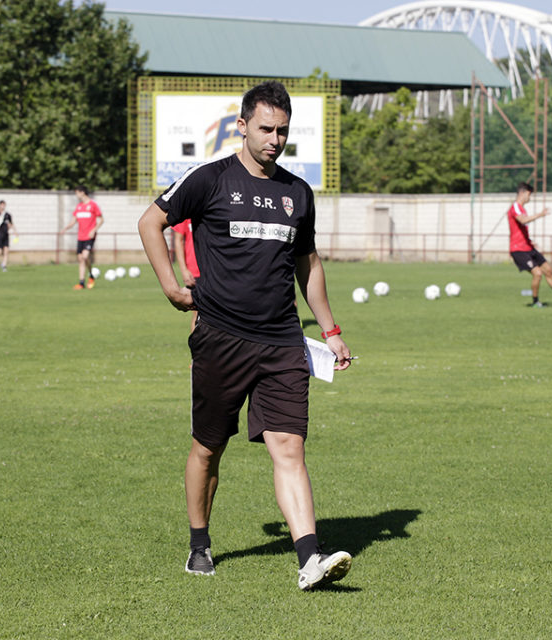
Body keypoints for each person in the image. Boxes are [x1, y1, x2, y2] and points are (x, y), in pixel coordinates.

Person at [138, 81, 354, 591]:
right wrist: (171, 287)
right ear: (241, 125)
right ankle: (199, 543)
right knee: (209, 448)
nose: (274, 139)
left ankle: (309, 560)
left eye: (282, 131)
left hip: (282, 342)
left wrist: (331, 329)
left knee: (289, 447)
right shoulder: (210, 179)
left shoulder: (297, 193)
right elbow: (152, 222)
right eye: (265, 129)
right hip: (220, 337)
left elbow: (308, 263)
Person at [507, 182, 552, 307]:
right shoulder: (516, 207)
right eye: (529, 195)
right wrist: (540, 214)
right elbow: (523, 220)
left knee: (548, 270)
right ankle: (535, 302)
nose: (530, 198)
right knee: (538, 273)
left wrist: (530, 242)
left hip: (528, 247)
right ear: (522, 193)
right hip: (518, 250)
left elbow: (520, 229)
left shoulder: (522, 209)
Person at [61, 186, 103, 290]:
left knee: (84, 257)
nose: (76, 195)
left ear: (82, 192)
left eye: (77, 193)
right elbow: (73, 221)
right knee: (80, 259)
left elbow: (101, 219)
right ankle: (82, 282)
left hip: (89, 236)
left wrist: (94, 230)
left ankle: (90, 275)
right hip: (80, 237)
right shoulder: (79, 207)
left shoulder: (93, 205)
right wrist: (66, 228)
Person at [172, 218, 200, 332]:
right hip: (194, 271)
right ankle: (198, 348)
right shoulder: (186, 214)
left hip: (214, 269)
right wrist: (184, 270)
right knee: (198, 313)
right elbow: (178, 240)